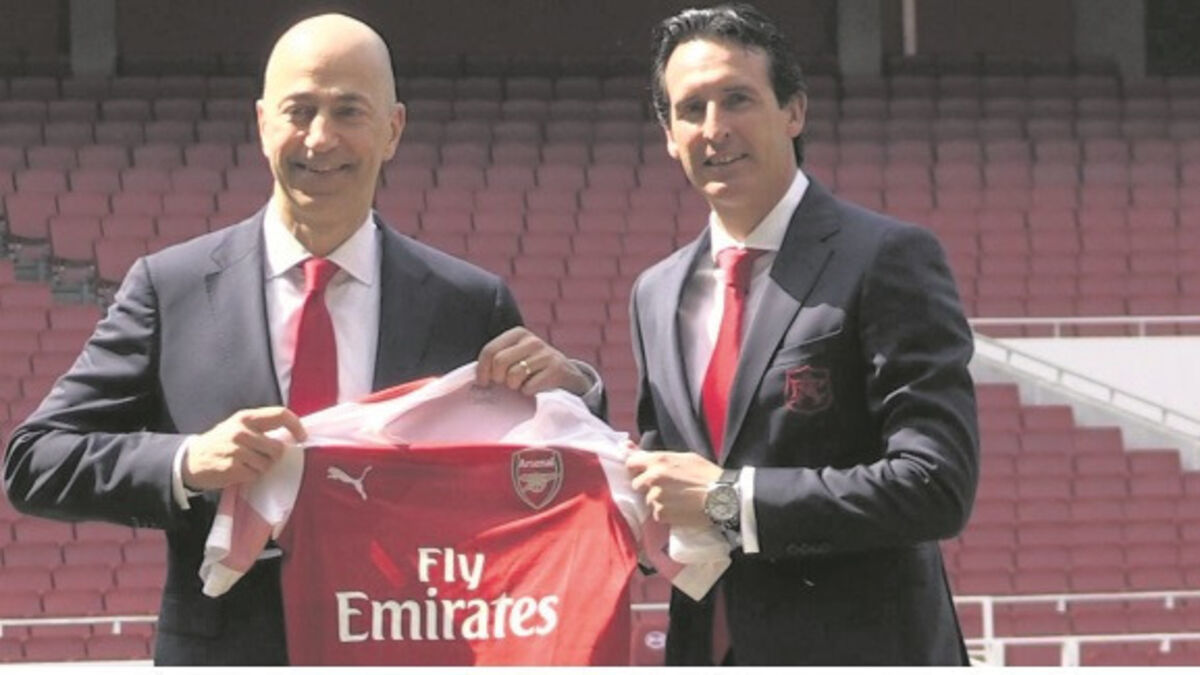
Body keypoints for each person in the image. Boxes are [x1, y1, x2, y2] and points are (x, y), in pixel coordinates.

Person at [4, 13, 599, 666]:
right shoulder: (169, 289)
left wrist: (573, 388)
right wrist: (187, 461)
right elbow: (35, 460)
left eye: (349, 111)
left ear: (393, 129)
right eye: (300, 110)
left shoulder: (466, 302)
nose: (320, 138)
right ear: (263, 123)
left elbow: (547, 470)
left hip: (410, 651)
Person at [624, 3, 979, 666]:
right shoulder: (655, 293)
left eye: (737, 99)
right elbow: (666, 478)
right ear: (669, 135)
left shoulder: (887, 258)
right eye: (691, 108)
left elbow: (936, 484)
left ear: (794, 111)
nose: (714, 128)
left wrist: (729, 501)